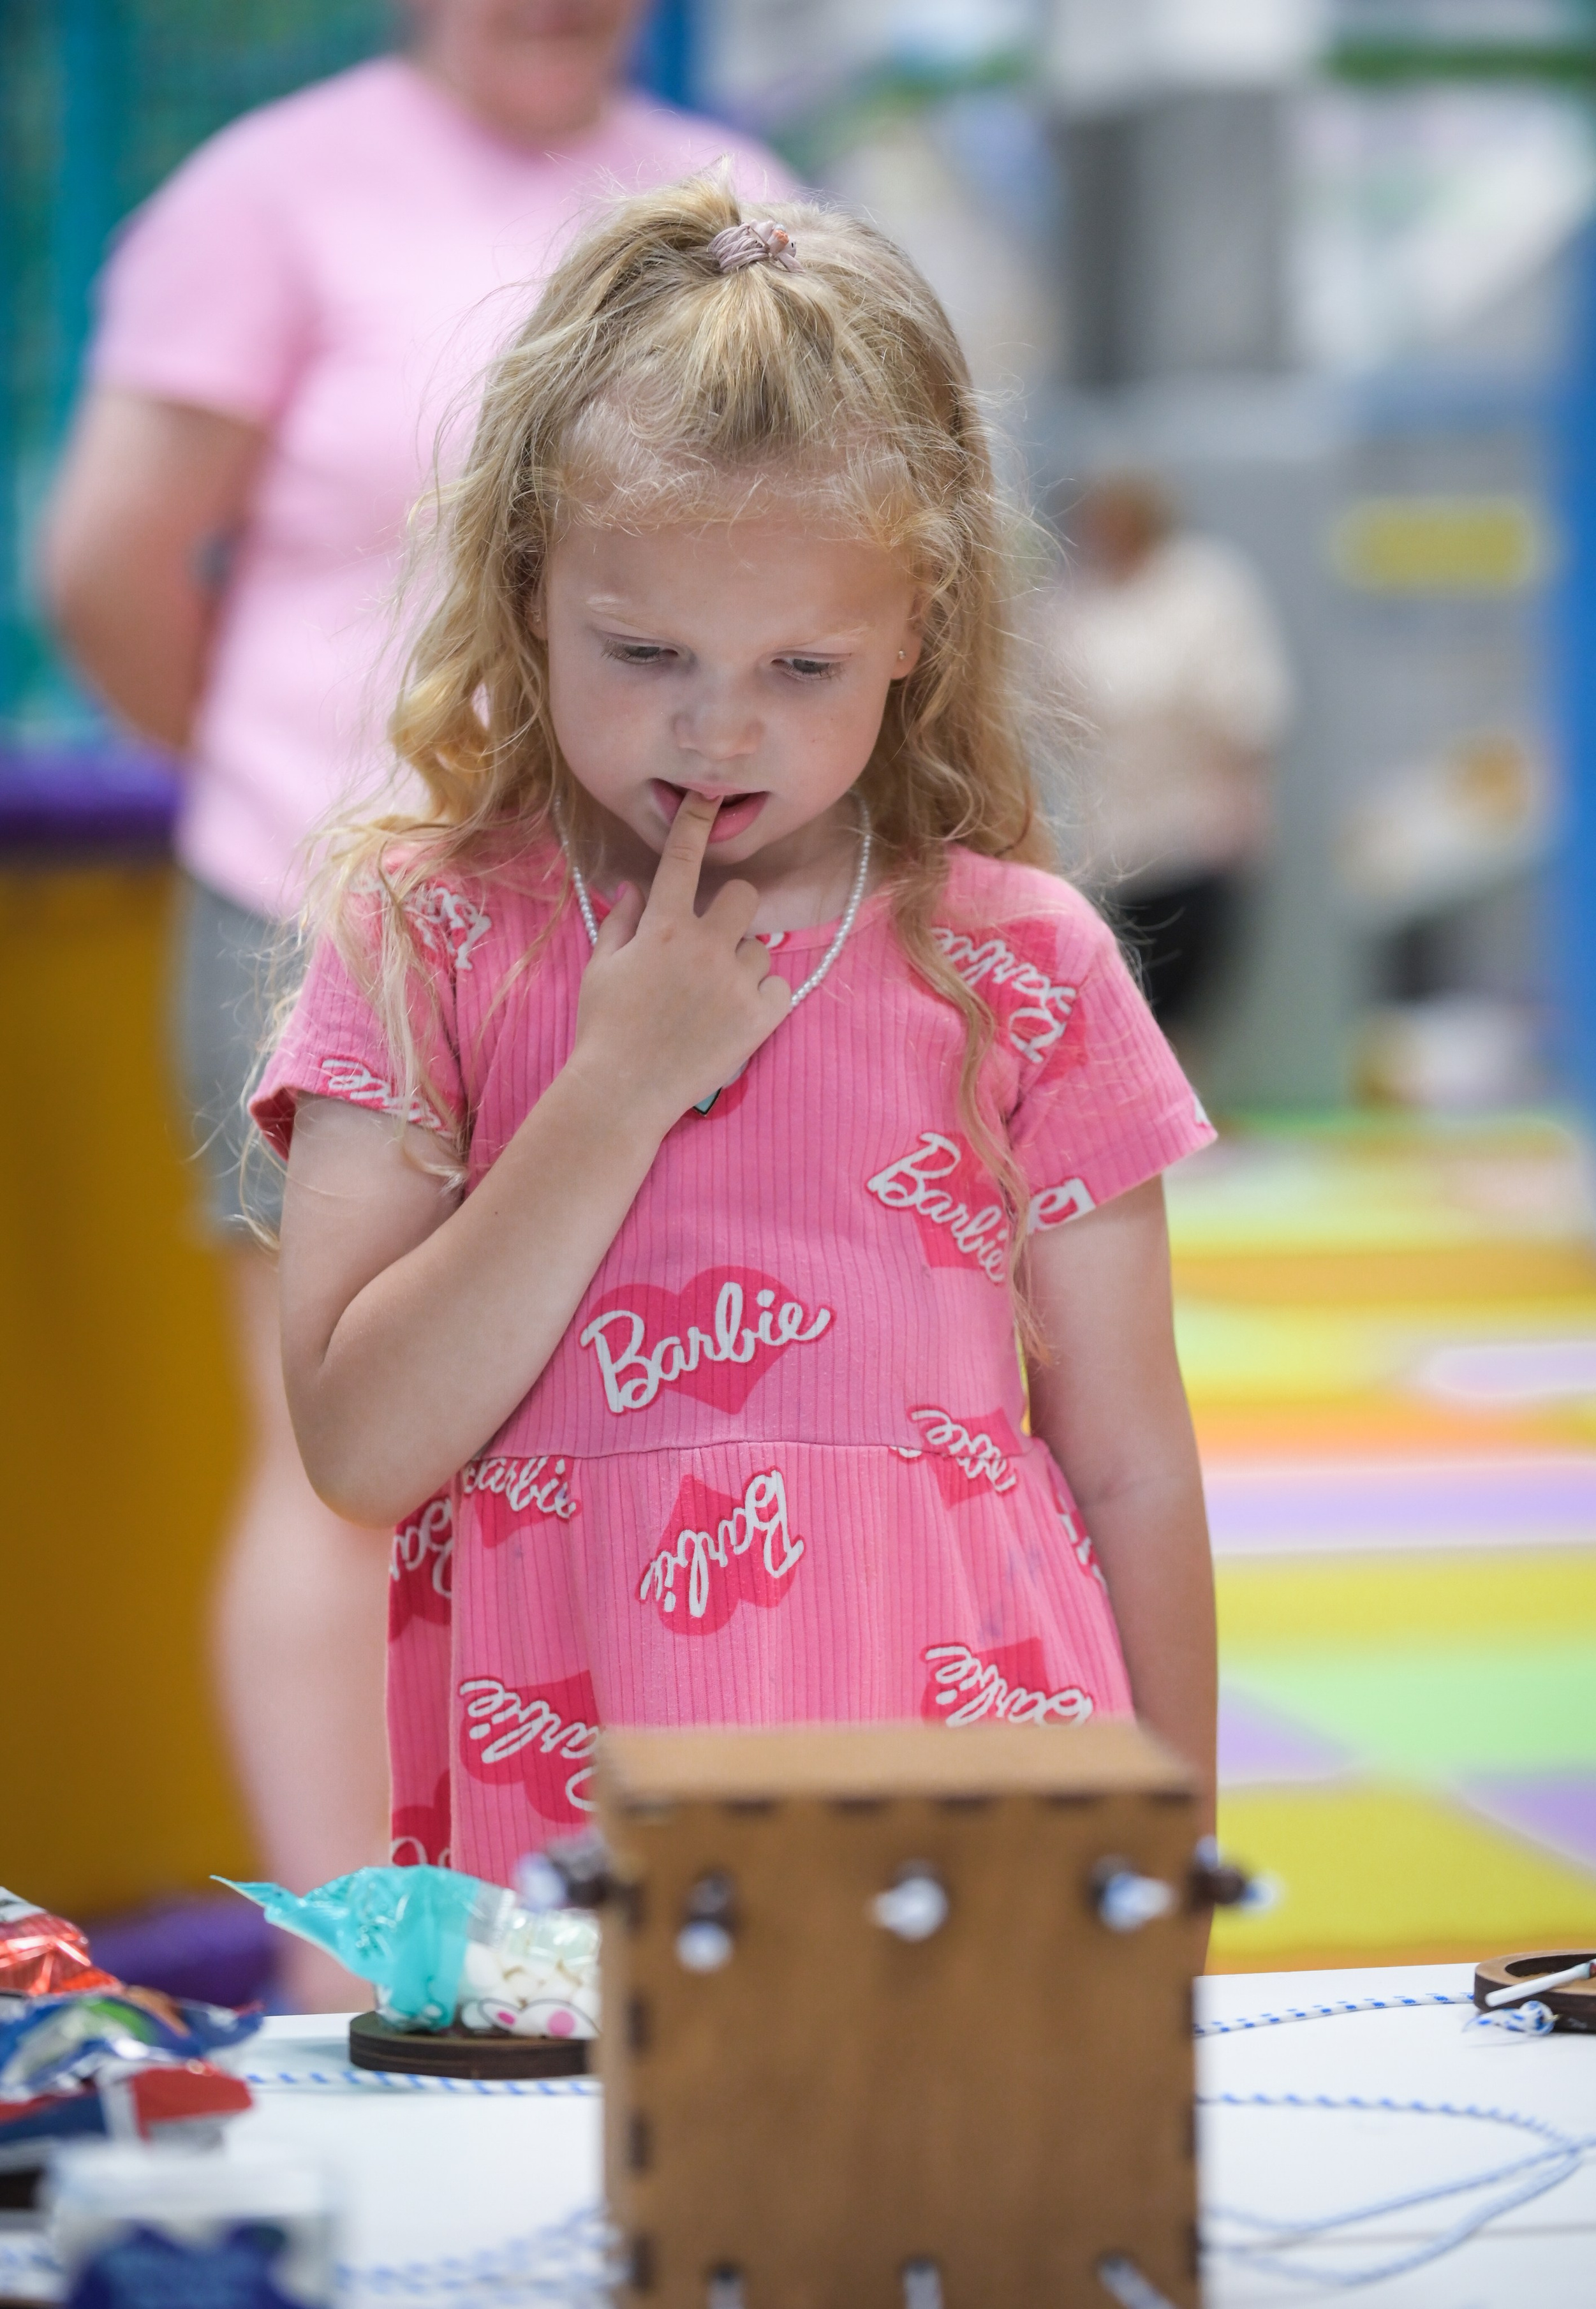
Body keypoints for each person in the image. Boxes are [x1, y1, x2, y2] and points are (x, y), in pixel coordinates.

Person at [248, 175, 1219, 1893]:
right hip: (578, 1838)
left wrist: (1169, 1860)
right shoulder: (424, 936)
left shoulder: (1024, 961)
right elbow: (358, 1447)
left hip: (982, 1829)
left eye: (800, 666)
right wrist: (615, 1085)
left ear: (914, 628)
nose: (717, 726)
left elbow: (1134, 1468)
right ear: (534, 589)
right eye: (646, 651)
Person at [41, 1, 790, 2009]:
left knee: (664, 1419)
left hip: (652, 930)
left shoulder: (736, 210)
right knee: (339, 1451)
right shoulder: (271, 190)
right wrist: (304, 803)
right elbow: (106, 553)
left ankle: (633, 1935)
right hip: (326, 898)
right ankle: (365, 1972)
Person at [1046, 472, 1293, 1037]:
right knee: (1116, 1002)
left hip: (1193, 831)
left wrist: (1244, 807)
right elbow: (1056, 716)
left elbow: (1248, 707)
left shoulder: (1204, 587)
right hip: (1105, 839)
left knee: (1183, 1002)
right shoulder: (1071, 599)